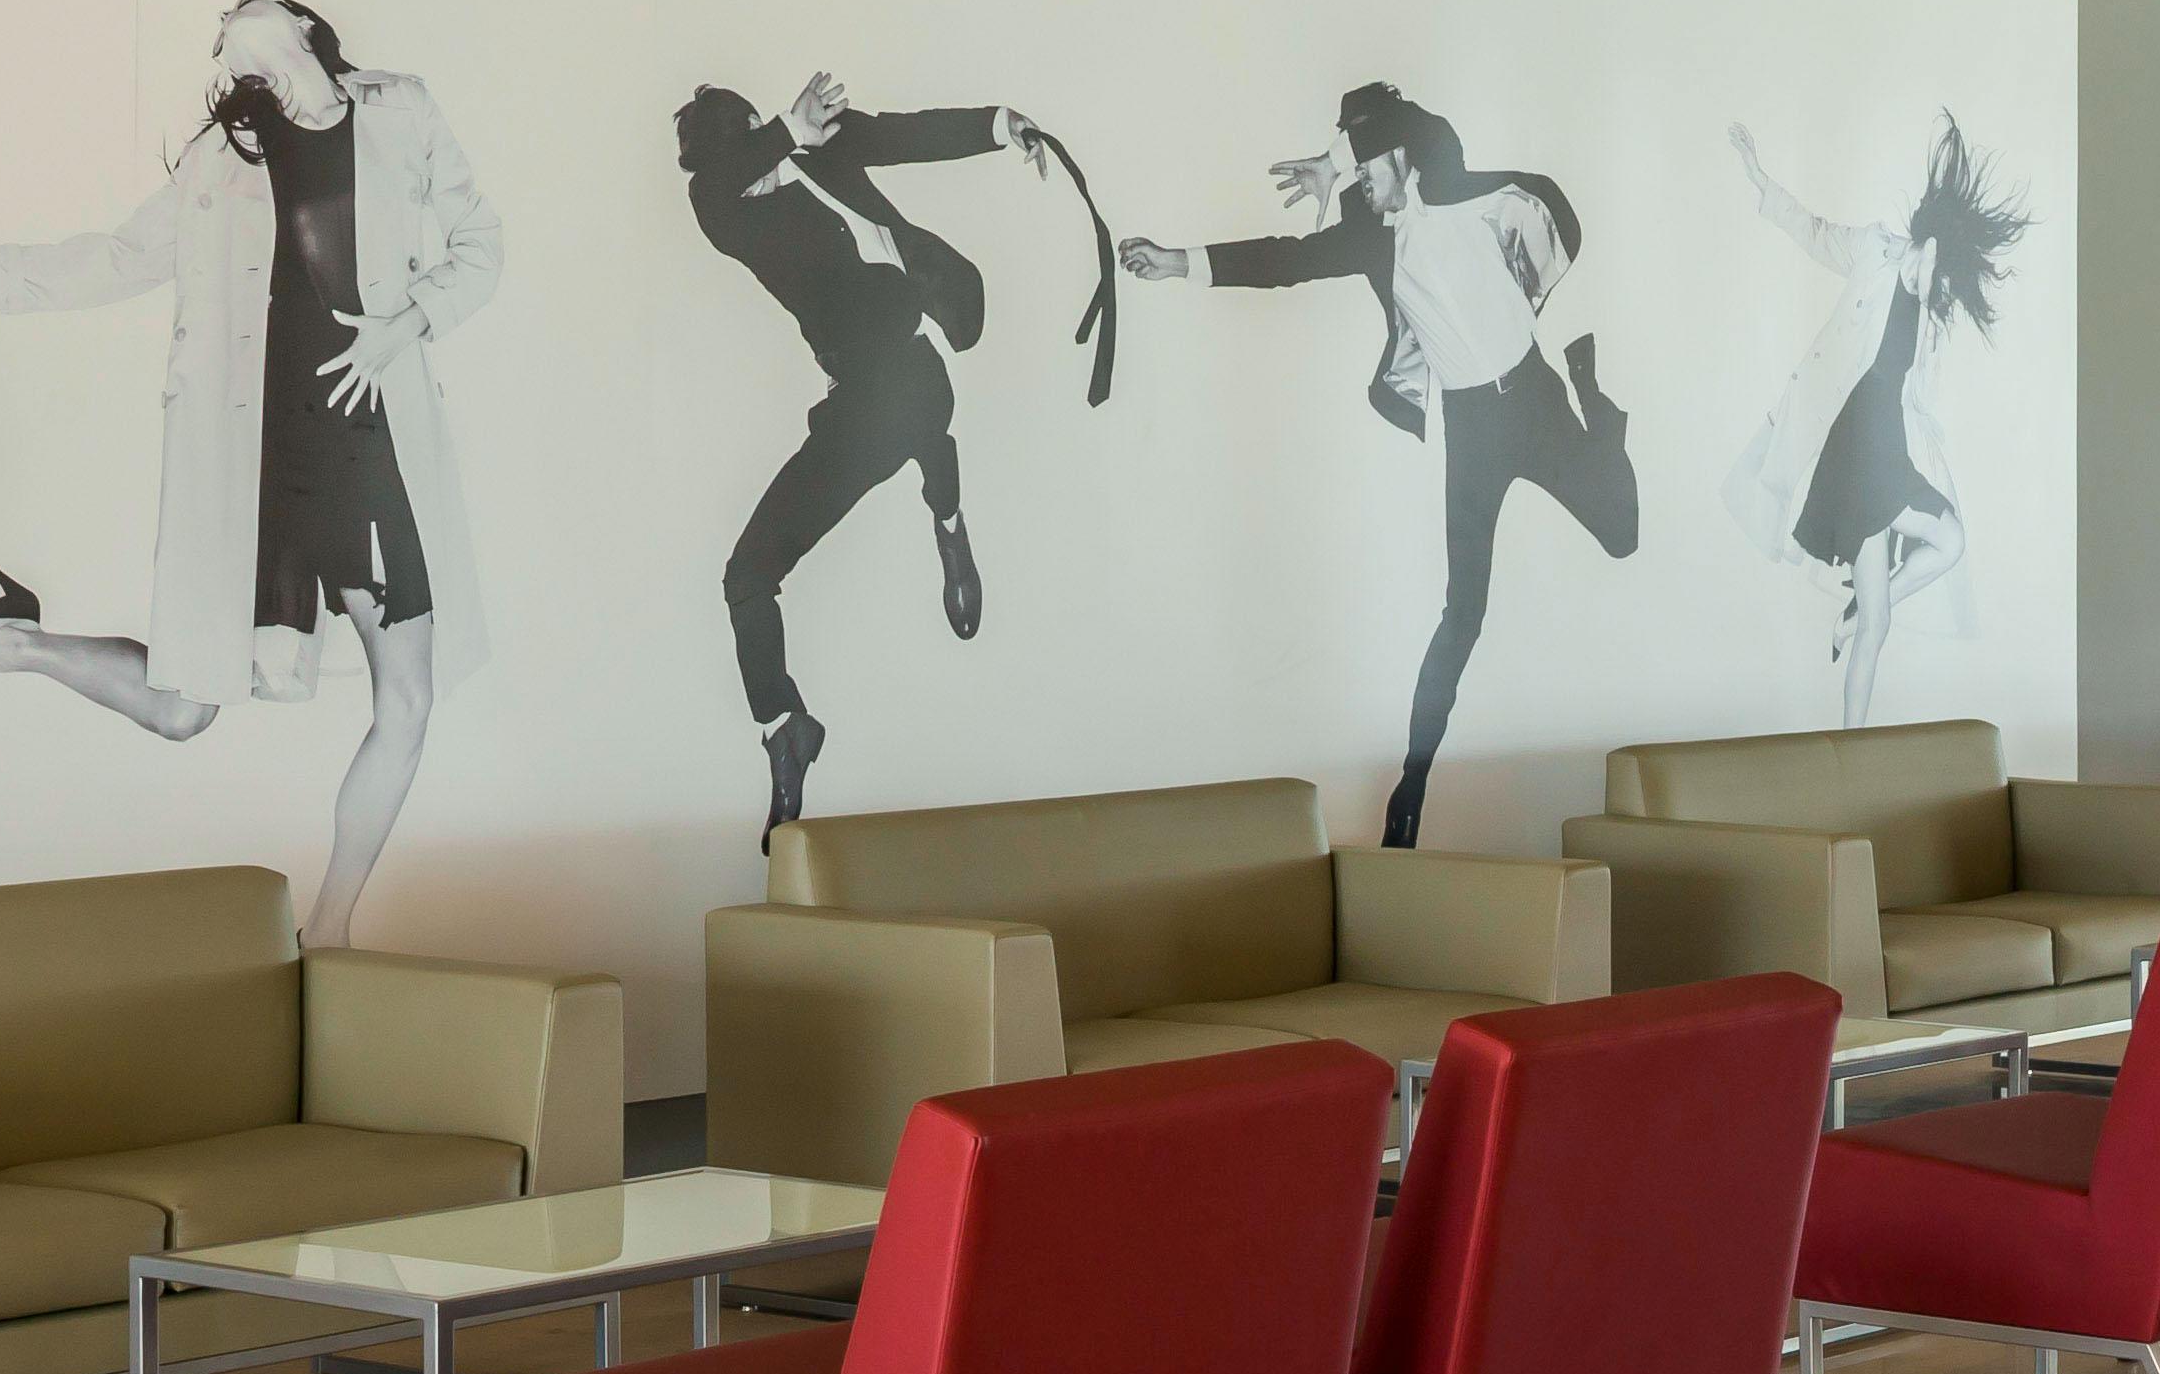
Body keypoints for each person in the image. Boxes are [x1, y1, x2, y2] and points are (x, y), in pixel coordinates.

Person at [0, 0, 496, 946]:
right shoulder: (227, 156)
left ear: (302, 27)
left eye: (244, 8)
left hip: (372, 443)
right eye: (221, 31)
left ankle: (328, 929)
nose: (224, 18)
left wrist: (404, 326)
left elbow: (479, 247)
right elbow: (121, 257)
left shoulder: (401, 109)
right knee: (182, 714)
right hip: (263, 465)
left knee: (409, 701)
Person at [1116, 83, 1633, 848]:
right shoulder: (1368, 238)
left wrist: (1334, 159)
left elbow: (1412, 121)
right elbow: (1283, 259)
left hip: (1534, 397)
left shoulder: (1446, 171)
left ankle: (1601, 411)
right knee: (1464, 611)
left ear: (1397, 153)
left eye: (1366, 166)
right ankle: (1413, 782)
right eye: (1354, 173)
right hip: (1473, 427)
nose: (1359, 183)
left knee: (1622, 533)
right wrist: (1178, 263)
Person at [682, 74, 1068, 839]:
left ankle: (948, 517)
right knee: (745, 576)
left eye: (762, 146)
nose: (761, 176)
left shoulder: (818, 145)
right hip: (857, 410)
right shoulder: (728, 213)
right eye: (747, 163)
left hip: (915, 370)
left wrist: (1002, 124)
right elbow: (720, 181)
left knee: (925, 419)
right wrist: (782, 132)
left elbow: (909, 134)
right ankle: (784, 725)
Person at [1728, 116, 2026, 726]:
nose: (1942, 290)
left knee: (1946, 547)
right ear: (1931, 250)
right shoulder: (1873, 252)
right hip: (1856, 458)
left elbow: (1917, 397)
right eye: (1943, 274)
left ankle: (1855, 622)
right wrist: (1761, 179)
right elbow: (1814, 233)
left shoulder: (1928, 315)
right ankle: (1853, 736)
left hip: (1888, 453)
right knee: (1884, 619)